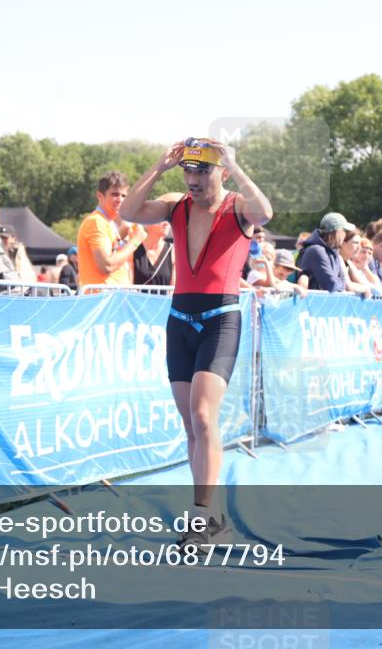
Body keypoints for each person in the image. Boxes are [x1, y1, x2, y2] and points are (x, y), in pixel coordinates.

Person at [119, 137, 272, 549]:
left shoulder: (238, 207)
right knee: (191, 423)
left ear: (221, 173)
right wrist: (158, 167)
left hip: (220, 319)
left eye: (202, 170)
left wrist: (235, 165)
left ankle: (202, 519)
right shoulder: (176, 205)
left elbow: (265, 212)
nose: (193, 178)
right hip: (180, 320)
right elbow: (128, 212)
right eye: (188, 170)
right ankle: (212, 512)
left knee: (204, 416)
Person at [77, 171, 147, 289]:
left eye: (123, 196)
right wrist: (135, 241)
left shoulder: (107, 222)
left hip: (113, 296)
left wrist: (123, 236)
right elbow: (106, 266)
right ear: (100, 196)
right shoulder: (96, 222)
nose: (120, 199)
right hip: (103, 297)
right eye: (115, 194)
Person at [298, 213, 354, 292]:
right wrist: (341, 284)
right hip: (313, 300)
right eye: (344, 231)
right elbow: (331, 285)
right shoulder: (316, 251)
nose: (345, 235)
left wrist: (340, 284)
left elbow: (342, 282)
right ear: (337, 232)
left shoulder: (334, 252)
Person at [133, 222, 174, 286]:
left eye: (168, 219)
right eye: (161, 218)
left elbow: (173, 288)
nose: (167, 223)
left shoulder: (173, 251)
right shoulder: (133, 249)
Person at [338, 229, 373, 297]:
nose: (359, 247)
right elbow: (348, 286)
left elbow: (364, 284)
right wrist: (365, 289)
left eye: (359, 243)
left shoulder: (348, 262)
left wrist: (366, 288)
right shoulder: (338, 258)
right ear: (342, 243)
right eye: (355, 243)